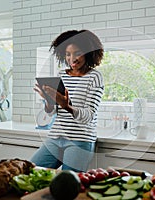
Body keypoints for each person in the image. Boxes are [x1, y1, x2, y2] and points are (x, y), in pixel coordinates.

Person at [31, 30, 104, 172]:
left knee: (67, 183)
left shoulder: (95, 77)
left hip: (80, 140)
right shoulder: (61, 74)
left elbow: (88, 116)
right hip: (55, 136)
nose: (72, 59)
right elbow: (53, 112)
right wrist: (49, 102)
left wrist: (67, 106)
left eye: (78, 53)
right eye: (68, 54)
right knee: (30, 172)